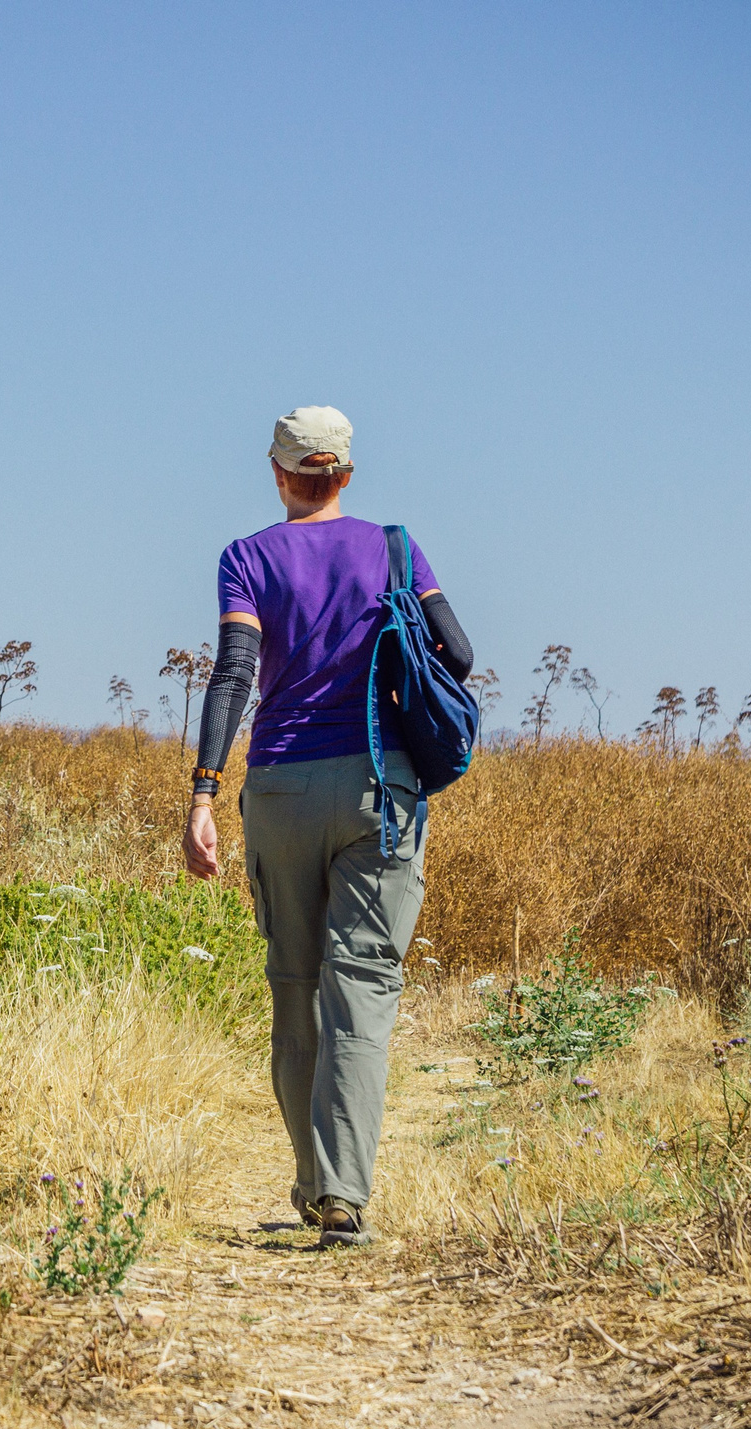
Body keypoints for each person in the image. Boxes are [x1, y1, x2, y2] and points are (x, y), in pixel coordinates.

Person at [181, 405, 473, 1246]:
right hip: (381, 787)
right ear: (346, 473)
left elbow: (233, 673)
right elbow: (457, 652)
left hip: (280, 789)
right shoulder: (395, 550)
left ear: (279, 473)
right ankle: (343, 1193)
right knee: (362, 989)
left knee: (295, 986)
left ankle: (313, 1181)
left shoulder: (247, 559)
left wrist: (204, 795)